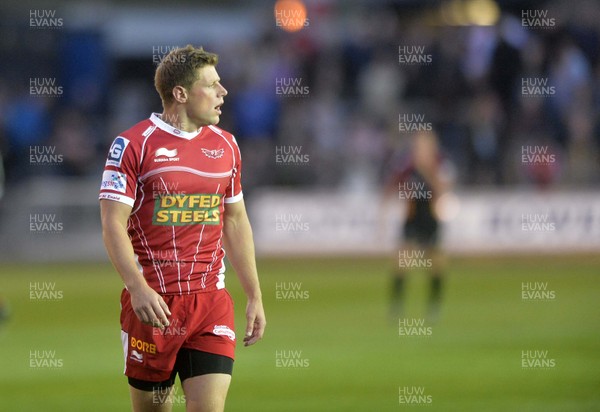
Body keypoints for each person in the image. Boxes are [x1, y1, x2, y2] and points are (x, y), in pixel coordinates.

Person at [99, 45, 266, 412]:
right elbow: (113, 223)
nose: (223, 93)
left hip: (211, 301)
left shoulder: (227, 146)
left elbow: (235, 220)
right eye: (213, 85)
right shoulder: (133, 145)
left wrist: (254, 293)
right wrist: (137, 287)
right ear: (181, 93)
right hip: (154, 304)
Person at [383, 130, 449, 321]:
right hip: (412, 219)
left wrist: (426, 170)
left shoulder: (439, 165)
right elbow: (392, 185)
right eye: (418, 145)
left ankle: (434, 307)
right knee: (401, 262)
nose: (420, 149)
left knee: (436, 265)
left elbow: (443, 189)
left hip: (430, 219)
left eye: (424, 145)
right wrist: (384, 213)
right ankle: (396, 307)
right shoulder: (406, 166)